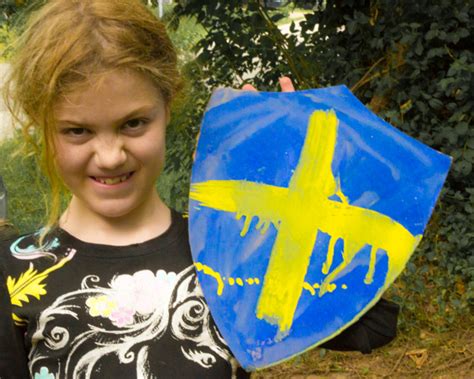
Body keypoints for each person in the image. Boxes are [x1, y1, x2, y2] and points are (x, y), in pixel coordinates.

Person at [0, 1, 399, 378]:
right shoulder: (12, 273)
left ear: (167, 107)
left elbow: (372, 326)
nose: (109, 156)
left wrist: (289, 196)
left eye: (134, 123)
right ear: (43, 126)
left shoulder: (226, 246)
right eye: (78, 131)